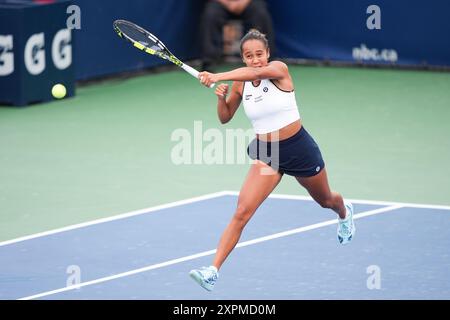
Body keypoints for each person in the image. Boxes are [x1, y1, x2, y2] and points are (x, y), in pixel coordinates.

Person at [189, 29, 356, 292]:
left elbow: (258, 73)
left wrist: (216, 74)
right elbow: (225, 117)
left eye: (259, 54)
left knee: (325, 200)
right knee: (242, 212)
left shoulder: (279, 69)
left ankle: (344, 212)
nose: (255, 60)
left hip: (299, 149)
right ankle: (213, 270)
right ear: (243, 58)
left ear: (267, 54)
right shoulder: (240, 82)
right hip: (268, 154)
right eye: (248, 56)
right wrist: (221, 96)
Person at [200, 0, 275, 71]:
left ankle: (265, 60)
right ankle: (209, 62)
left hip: (248, 2)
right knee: (211, 14)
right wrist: (227, 3)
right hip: (221, 2)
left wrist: (243, 2)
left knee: (260, 13)